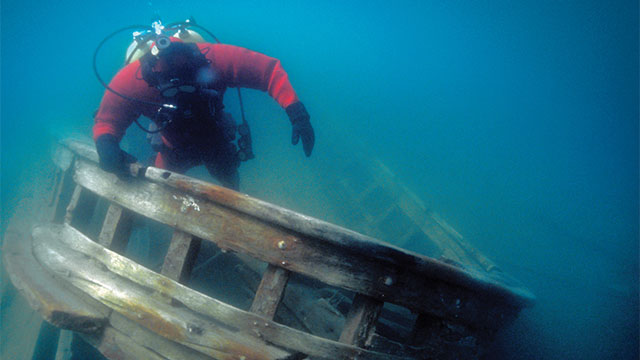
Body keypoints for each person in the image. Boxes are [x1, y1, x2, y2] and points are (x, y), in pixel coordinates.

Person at [93, 35, 314, 190]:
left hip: (214, 139)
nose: (181, 88)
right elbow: (107, 121)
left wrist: (296, 111)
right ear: (151, 74)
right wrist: (107, 147)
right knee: (161, 184)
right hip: (173, 146)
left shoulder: (215, 59)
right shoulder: (134, 80)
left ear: (198, 62)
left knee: (229, 181)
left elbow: (267, 71)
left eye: (186, 75)